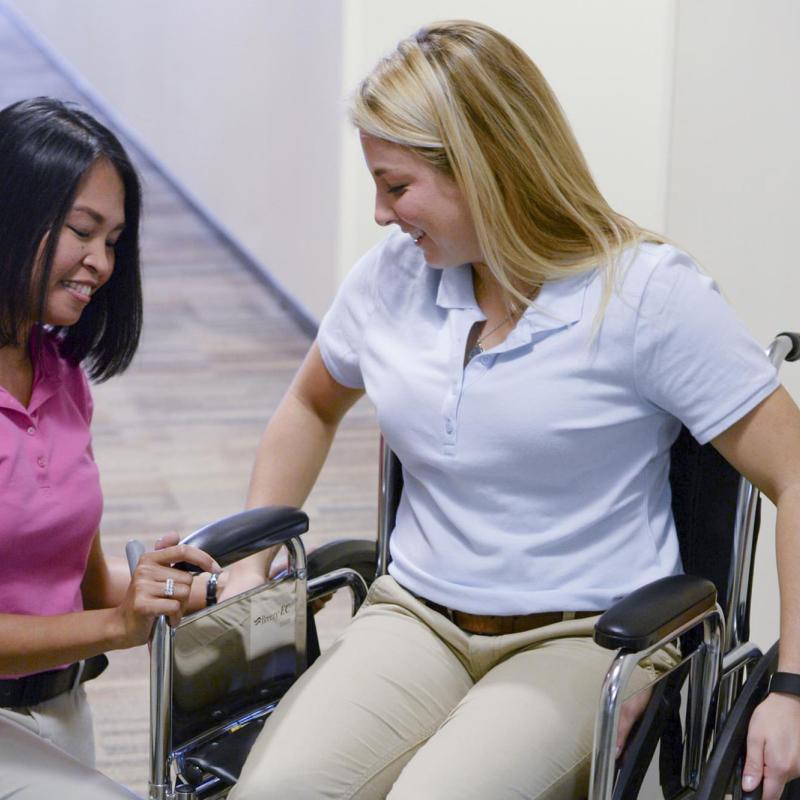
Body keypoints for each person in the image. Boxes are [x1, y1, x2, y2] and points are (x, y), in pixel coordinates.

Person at [227, 21, 800, 800]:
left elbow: (796, 473)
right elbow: (309, 404)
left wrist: (794, 688)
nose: (379, 214)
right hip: (417, 618)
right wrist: (249, 570)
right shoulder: (391, 277)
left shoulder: (644, 294)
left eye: (396, 186)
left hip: (583, 639)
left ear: (483, 167)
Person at [0, 97, 220, 797]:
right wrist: (117, 625)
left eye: (115, 240)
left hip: (62, 710)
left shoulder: (59, 373)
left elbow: (80, 580)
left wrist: (177, 592)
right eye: (82, 232)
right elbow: (101, 617)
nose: (101, 263)